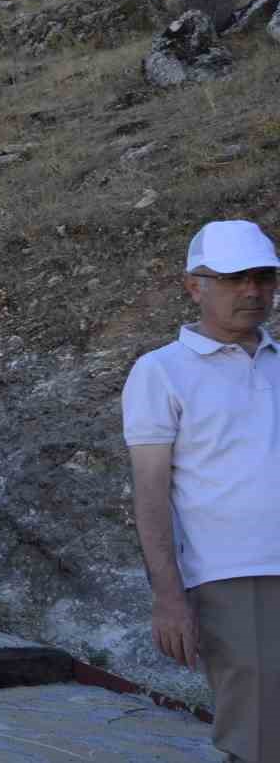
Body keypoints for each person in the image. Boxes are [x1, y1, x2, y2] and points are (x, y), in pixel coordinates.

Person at [123, 220, 280, 763]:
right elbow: (150, 494)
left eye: (264, 277)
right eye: (236, 278)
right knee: (257, 736)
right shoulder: (161, 372)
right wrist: (169, 597)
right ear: (195, 286)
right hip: (234, 576)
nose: (253, 291)